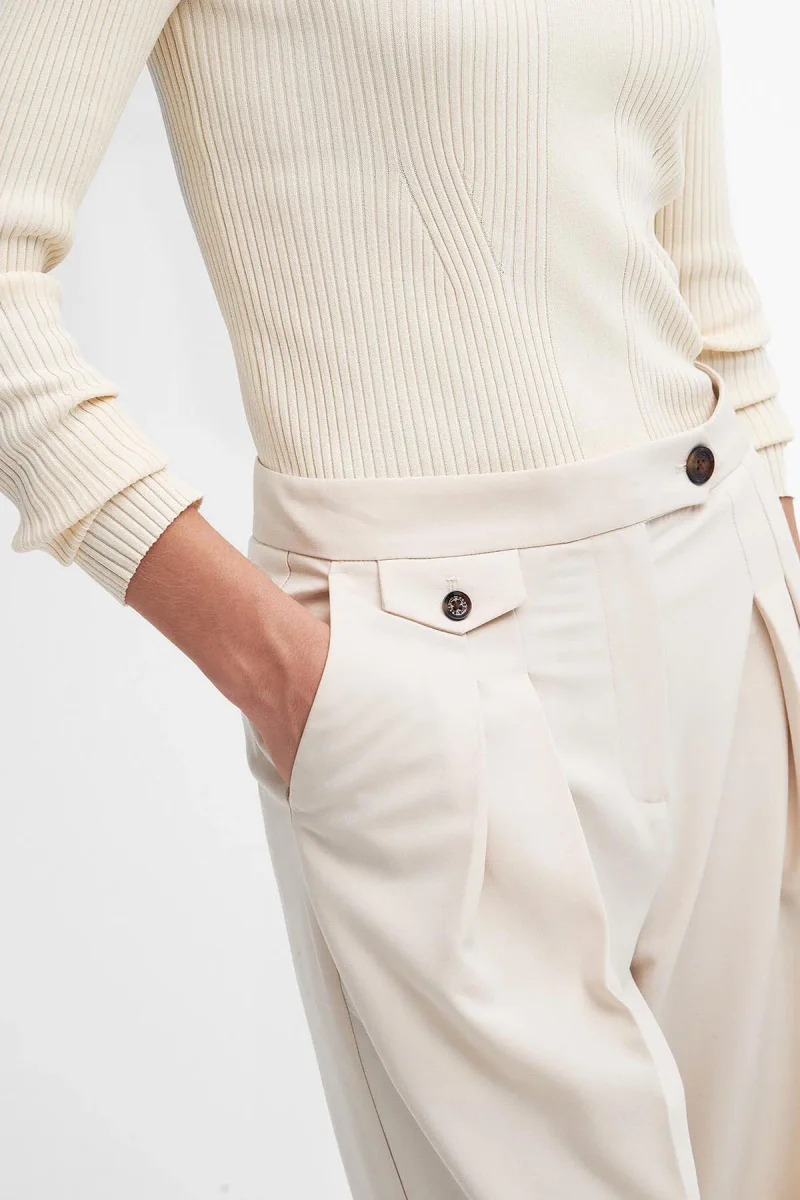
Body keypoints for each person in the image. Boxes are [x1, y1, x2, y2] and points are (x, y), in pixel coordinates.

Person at [1, 2, 798, 1197]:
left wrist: (775, 578)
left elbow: (703, 278)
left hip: (725, 607)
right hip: (426, 665)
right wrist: (281, 671)